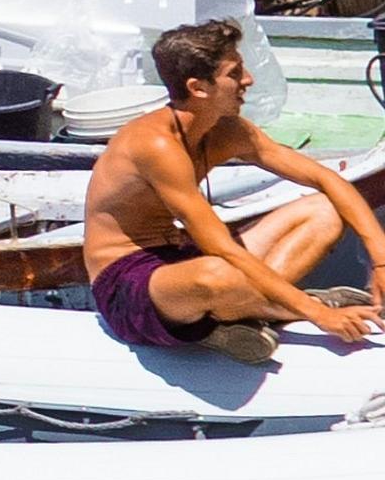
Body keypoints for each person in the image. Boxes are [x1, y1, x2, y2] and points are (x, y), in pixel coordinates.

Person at [82, 17, 385, 349]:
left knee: (325, 210)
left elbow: (323, 178)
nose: (249, 80)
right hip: (129, 286)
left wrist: (380, 257)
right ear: (199, 88)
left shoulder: (229, 131)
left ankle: (250, 314)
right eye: (235, 73)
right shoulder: (156, 146)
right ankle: (290, 308)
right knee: (215, 273)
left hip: (183, 255)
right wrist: (316, 313)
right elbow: (220, 248)